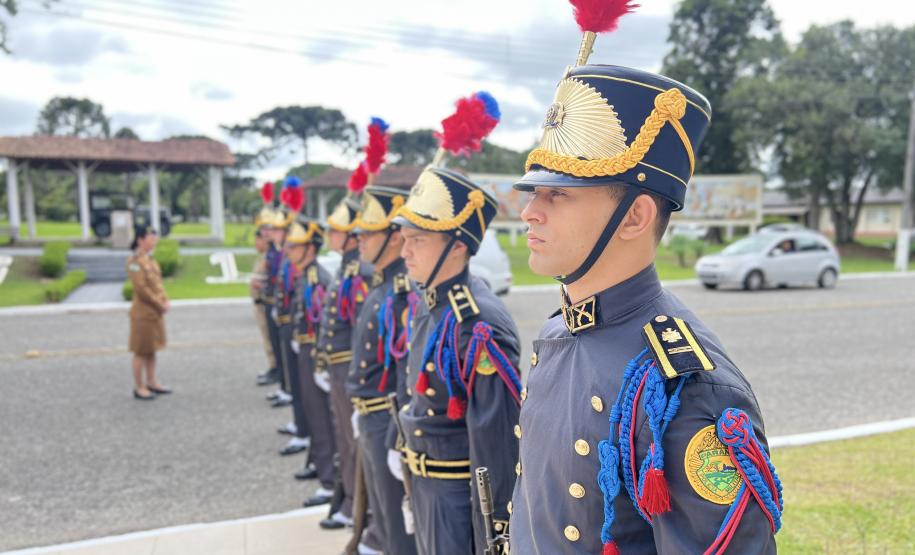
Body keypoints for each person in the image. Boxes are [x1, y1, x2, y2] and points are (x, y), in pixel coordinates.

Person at [508, 5, 783, 554]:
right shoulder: (561, 330)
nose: (530, 212)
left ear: (634, 217)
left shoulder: (680, 384)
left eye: (558, 194)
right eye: (535, 192)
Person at [394, 91, 522, 554]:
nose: (405, 251)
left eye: (417, 239)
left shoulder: (478, 324)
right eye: (404, 238)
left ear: (459, 245)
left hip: (459, 500)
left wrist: (498, 530)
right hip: (424, 485)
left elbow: (495, 441)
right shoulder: (432, 303)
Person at [345, 185, 419, 555]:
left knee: (399, 531)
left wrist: (397, 439)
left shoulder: (402, 293)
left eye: (368, 233)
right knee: (384, 522)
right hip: (370, 417)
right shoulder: (381, 286)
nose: (358, 239)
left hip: (386, 423)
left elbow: (407, 376)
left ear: (393, 237)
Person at [283, 216, 338, 508]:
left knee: (320, 415)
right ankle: (319, 462)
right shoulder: (306, 274)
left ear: (310, 248)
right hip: (305, 349)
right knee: (311, 410)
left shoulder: (317, 278)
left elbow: (320, 323)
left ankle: (330, 481)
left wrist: (320, 362)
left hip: (314, 353)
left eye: (295, 246)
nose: (289, 250)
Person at [126, 226, 171, 400]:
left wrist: (165, 300)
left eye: (155, 238)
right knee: (141, 351)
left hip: (154, 313)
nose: (154, 242)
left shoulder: (150, 260)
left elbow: (158, 284)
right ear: (140, 240)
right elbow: (141, 289)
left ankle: (152, 382)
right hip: (143, 314)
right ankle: (139, 387)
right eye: (151, 238)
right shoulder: (135, 261)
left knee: (152, 349)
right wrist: (160, 304)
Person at [254, 183, 281, 387]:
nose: (264, 232)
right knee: (270, 339)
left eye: (268, 228)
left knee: (277, 343)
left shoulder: (278, 251)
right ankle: (275, 370)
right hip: (267, 299)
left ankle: (278, 372)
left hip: (276, 301)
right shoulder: (270, 250)